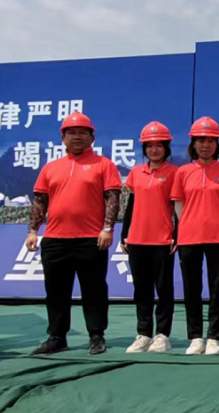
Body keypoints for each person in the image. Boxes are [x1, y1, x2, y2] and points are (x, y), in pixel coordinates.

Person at [27, 112, 121, 355]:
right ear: (63, 138)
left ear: (92, 137)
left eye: (82, 132)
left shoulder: (104, 165)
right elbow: (40, 201)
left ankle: (96, 336)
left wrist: (107, 229)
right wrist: (32, 231)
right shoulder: (51, 168)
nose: (77, 137)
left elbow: (112, 199)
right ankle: (57, 337)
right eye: (71, 132)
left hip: (91, 239)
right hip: (55, 239)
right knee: (56, 291)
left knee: (94, 290)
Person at [171, 116, 219, 355]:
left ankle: (214, 336)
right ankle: (195, 337)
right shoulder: (183, 172)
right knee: (191, 288)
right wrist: (187, 224)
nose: (206, 145)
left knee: (218, 288)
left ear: (217, 144)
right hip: (189, 237)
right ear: (193, 144)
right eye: (201, 140)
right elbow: (179, 204)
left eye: (211, 141)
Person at [121, 121, 178, 353]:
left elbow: (178, 208)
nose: (154, 150)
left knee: (164, 289)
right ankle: (143, 334)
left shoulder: (174, 173)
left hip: (162, 240)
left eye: (159, 145)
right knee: (141, 289)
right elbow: (131, 205)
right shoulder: (136, 172)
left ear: (166, 148)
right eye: (149, 145)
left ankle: (162, 335)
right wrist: (124, 234)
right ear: (144, 148)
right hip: (137, 239)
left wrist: (177, 234)